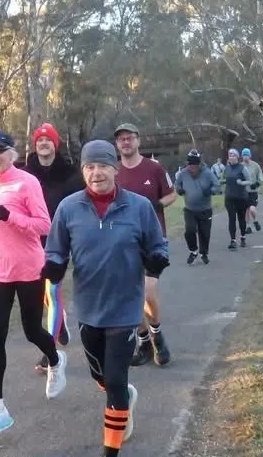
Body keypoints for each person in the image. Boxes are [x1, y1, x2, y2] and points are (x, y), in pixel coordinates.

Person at [43, 140, 169, 457]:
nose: (96, 173)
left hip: (126, 306)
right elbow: (56, 249)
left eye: (102, 166)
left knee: (114, 379)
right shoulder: (69, 208)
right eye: (89, 167)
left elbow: (159, 244)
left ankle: (110, 449)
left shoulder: (139, 207)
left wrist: (156, 259)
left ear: (115, 168)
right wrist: (55, 265)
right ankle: (122, 397)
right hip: (88, 308)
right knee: (100, 376)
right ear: (83, 170)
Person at [0, 130, 67, 444]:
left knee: (31, 330)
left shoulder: (28, 182)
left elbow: (44, 224)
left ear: (11, 153)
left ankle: (55, 359)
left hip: (28, 266)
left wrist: (10, 217)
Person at [23, 121, 85, 372]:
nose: (43, 143)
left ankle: (49, 354)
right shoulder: (25, 174)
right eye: (39, 140)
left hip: (58, 242)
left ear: (55, 144)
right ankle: (60, 324)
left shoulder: (71, 174)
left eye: (48, 140)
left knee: (53, 291)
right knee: (40, 297)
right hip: (29, 243)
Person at [114, 122, 177, 367]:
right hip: (124, 242)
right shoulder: (114, 172)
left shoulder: (155, 167)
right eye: (122, 140)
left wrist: (156, 206)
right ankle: (142, 341)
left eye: (130, 138)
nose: (126, 143)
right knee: (131, 296)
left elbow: (172, 194)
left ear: (138, 141)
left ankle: (157, 335)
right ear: (117, 145)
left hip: (154, 239)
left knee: (148, 291)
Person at [174, 149, 221, 265]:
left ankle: (204, 253)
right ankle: (193, 251)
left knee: (204, 233)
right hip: (190, 209)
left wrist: (210, 191)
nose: (191, 168)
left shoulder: (207, 173)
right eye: (189, 165)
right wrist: (179, 189)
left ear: (199, 165)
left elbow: (217, 186)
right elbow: (177, 184)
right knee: (189, 230)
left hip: (205, 209)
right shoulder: (183, 173)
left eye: (194, 165)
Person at [223, 148, 252, 250]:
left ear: (237, 157)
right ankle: (233, 241)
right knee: (231, 219)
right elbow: (223, 178)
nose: (231, 157)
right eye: (230, 155)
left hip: (241, 197)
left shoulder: (242, 168)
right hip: (229, 197)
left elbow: (249, 181)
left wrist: (241, 183)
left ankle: (243, 238)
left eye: (233, 155)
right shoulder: (226, 168)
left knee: (241, 218)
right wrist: (221, 182)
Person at [241, 148, 263, 234]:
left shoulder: (255, 165)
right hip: (244, 191)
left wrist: (257, 184)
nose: (245, 157)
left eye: (246, 155)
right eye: (243, 155)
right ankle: (248, 226)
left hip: (253, 191)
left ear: (250, 156)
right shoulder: (241, 166)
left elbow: (260, 176)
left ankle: (256, 221)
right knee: (246, 210)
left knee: (252, 209)